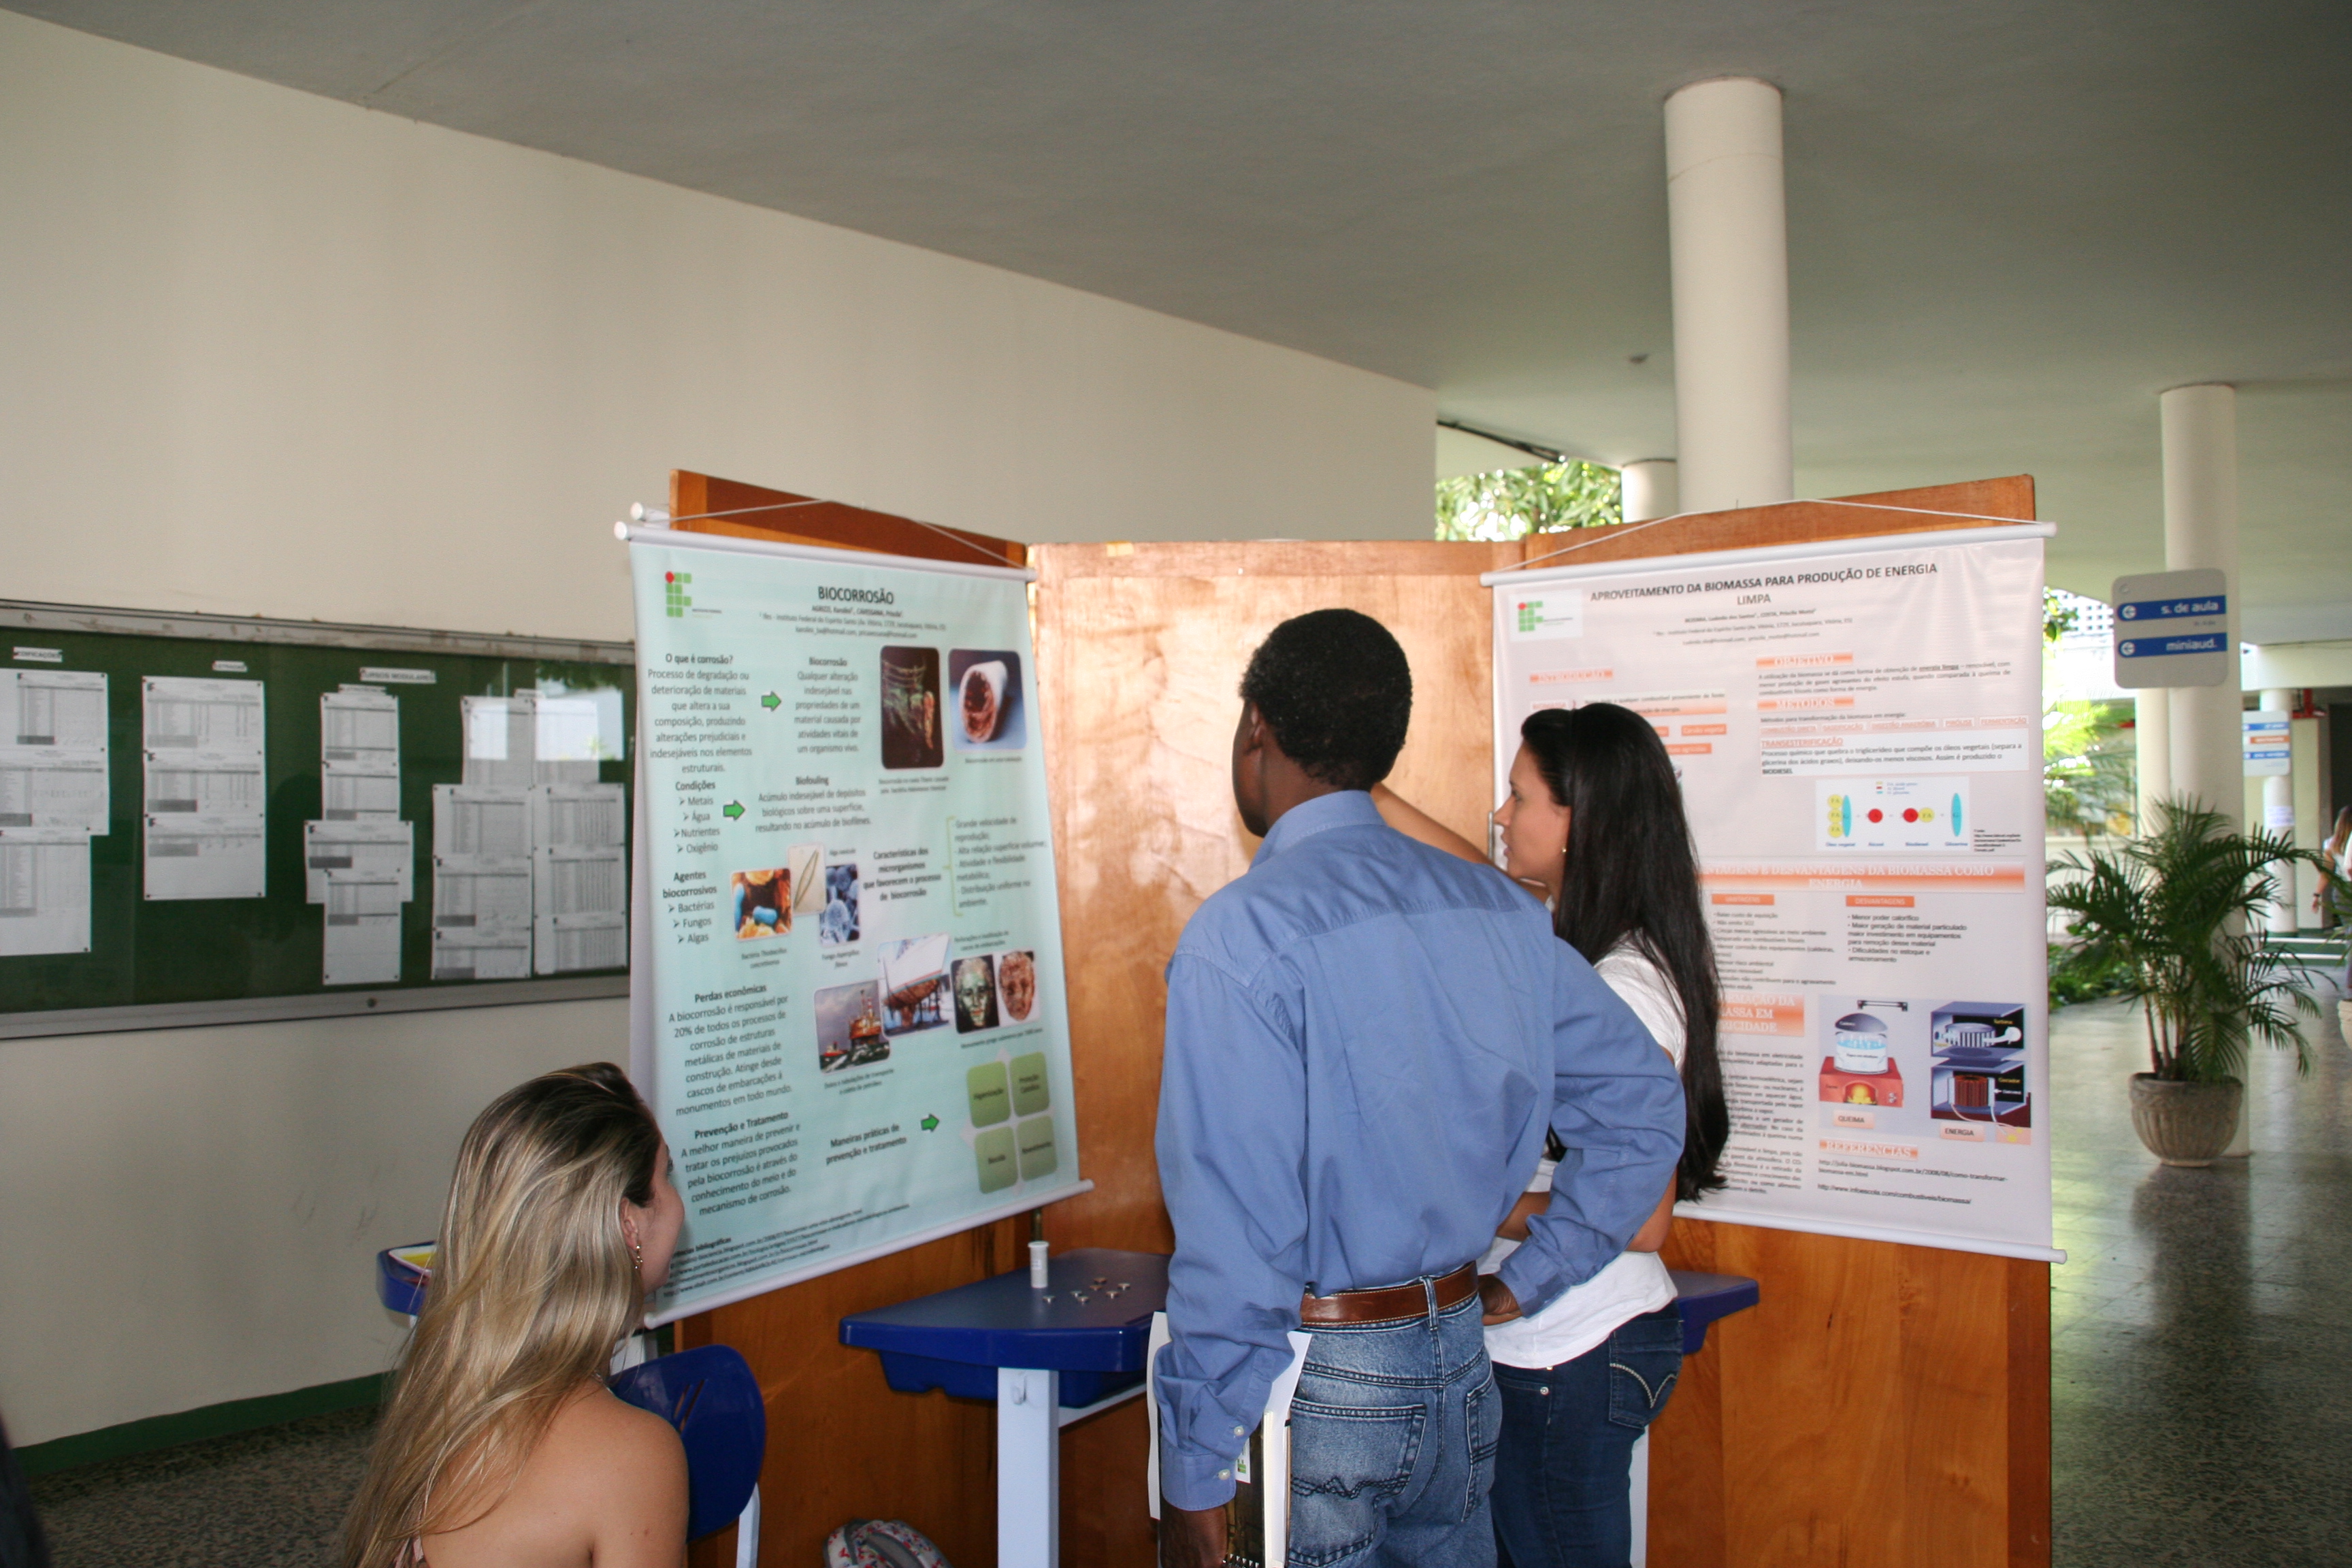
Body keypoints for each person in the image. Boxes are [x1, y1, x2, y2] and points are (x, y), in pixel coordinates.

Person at [1154, 610, 1684, 1568]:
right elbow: (1643, 1107)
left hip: (1319, 1379)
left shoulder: (1240, 936)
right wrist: (1533, 1276)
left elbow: (1235, 1232)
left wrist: (1198, 1462)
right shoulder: (1501, 914)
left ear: (1255, 729)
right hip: (1461, 1365)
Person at [1377, 702, 1730, 1567]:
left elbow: (1641, 1217)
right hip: (1564, 1344)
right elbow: (1476, 878)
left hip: (1570, 1350)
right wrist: (1365, 794)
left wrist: (1476, 1204)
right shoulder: (1578, 945)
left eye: (1520, 796)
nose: (1500, 816)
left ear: (1578, 821)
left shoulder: (1626, 984)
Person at [342, 1063, 689, 1568]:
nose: (679, 1200)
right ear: (627, 1224)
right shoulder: (632, 1453)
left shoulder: (436, 1392)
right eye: (666, 1175)